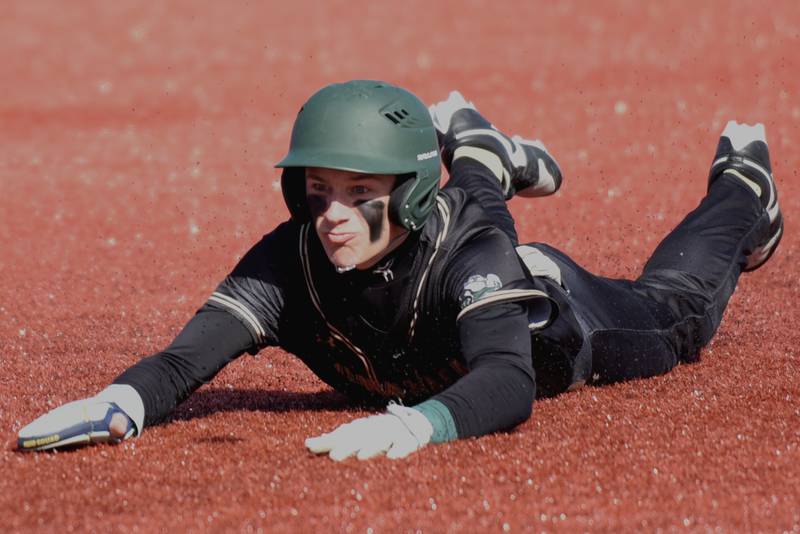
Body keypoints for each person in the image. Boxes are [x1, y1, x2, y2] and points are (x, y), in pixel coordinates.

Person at [17, 80, 783, 461]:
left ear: (411, 192)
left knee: (678, 314)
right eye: (318, 191)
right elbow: (188, 359)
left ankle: (745, 190)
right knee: (478, 204)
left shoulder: (467, 247)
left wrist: (424, 424)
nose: (333, 215)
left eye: (359, 193)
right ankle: (483, 147)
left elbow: (509, 381)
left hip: (563, 315)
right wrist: (123, 400)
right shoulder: (293, 261)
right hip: (455, 239)